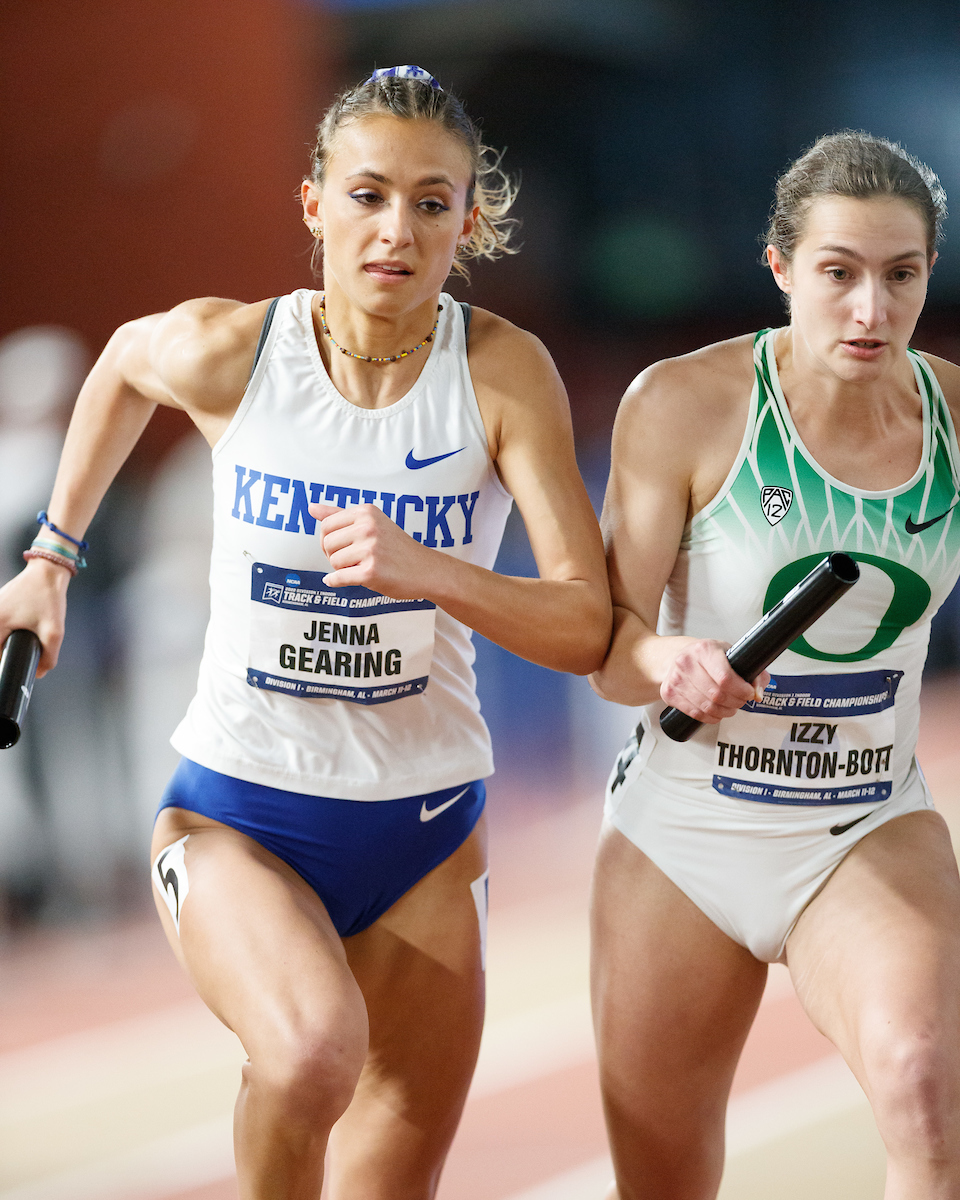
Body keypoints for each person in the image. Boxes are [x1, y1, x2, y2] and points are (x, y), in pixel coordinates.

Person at [0, 66, 611, 1199]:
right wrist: (52, 557)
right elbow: (123, 365)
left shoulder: (500, 373)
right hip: (240, 817)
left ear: (467, 221)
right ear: (314, 203)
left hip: (426, 835)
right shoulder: (237, 352)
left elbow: (584, 623)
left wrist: (429, 570)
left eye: (431, 203)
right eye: (367, 195)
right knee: (310, 1053)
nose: (396, 230)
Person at [589, 131, 960, 1200]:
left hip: (864, 822)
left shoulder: (956, 417)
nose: (871, 310)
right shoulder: (683, 404)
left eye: (901, 276)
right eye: (839, 273)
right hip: (686, 834)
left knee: (927, 1085)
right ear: (780, 266)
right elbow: (607, 651)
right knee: (662, 1181)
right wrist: (670, 660)